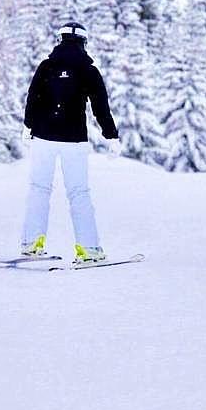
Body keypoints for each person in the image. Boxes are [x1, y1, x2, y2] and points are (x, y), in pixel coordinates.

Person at [19, 22, 120, 264]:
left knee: (39, 189)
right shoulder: (88, 70)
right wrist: (111, 135)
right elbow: (100, 107)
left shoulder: (46, 67)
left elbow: (32, 98)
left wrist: (28, 125)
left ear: (60, 39)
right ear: (84, 42)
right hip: (74, 139)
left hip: (43, 136)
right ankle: (89, 249)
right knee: (78, 193)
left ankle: (31, 244)